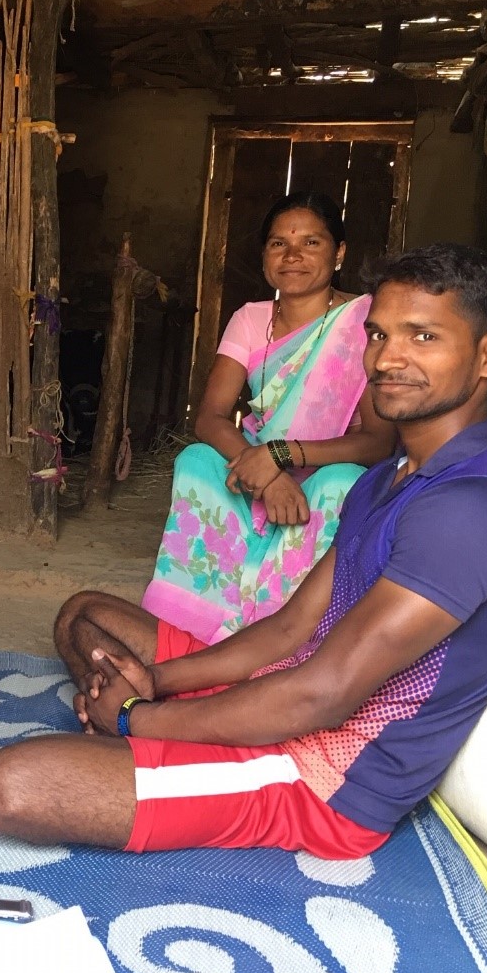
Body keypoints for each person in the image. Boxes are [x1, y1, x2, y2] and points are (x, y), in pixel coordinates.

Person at [0, 243, 487, 860]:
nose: (388, 358)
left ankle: (149, 750)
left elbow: (325, 694)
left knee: (12, 784)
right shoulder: (396, 477)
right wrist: (156, 683)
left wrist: (137, 715)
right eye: (379, 334)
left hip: (321, 780)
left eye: (424, 337)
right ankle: (160, 747)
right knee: (83, 616)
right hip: (286, 687)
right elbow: (288, 630)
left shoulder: (472, 510)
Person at [144, 191, 397, 643]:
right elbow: (210, 418)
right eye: (279, 243)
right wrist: (266, 471)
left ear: (339, 253)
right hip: (255, 469)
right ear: (265, 255)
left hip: (322, 472)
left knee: (342, 483)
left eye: (312, 243)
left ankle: (288, 627)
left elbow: (379, 442)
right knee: (196, 461)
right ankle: (200, 621)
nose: (293, 255)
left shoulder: (363, 322)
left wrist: (281, 454)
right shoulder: (250, 318)